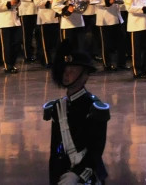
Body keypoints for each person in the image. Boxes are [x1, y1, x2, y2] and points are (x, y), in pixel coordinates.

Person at [43, 39, 110, 185]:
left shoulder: (94, 107)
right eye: (65, 70)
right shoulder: (57, 107)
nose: (66, 74)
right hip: (65, 174)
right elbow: (55, 152)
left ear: (85, 75)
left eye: (72, 71)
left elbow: (95, 151)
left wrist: (77, 175)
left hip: (88, 176)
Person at [90, 0, 126, 71]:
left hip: (115, 15)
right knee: (106, 43)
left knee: (120, 42)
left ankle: (121, 64)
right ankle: (107, 64)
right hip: (104, 17)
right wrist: (105, 2)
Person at [32, 0, 59, 68]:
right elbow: (37, 2)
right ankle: (46, 60)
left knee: (54, 40)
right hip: (44, 16)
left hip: (53, 16)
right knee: (44, 41)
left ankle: (53, 59)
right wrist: (48, 2)